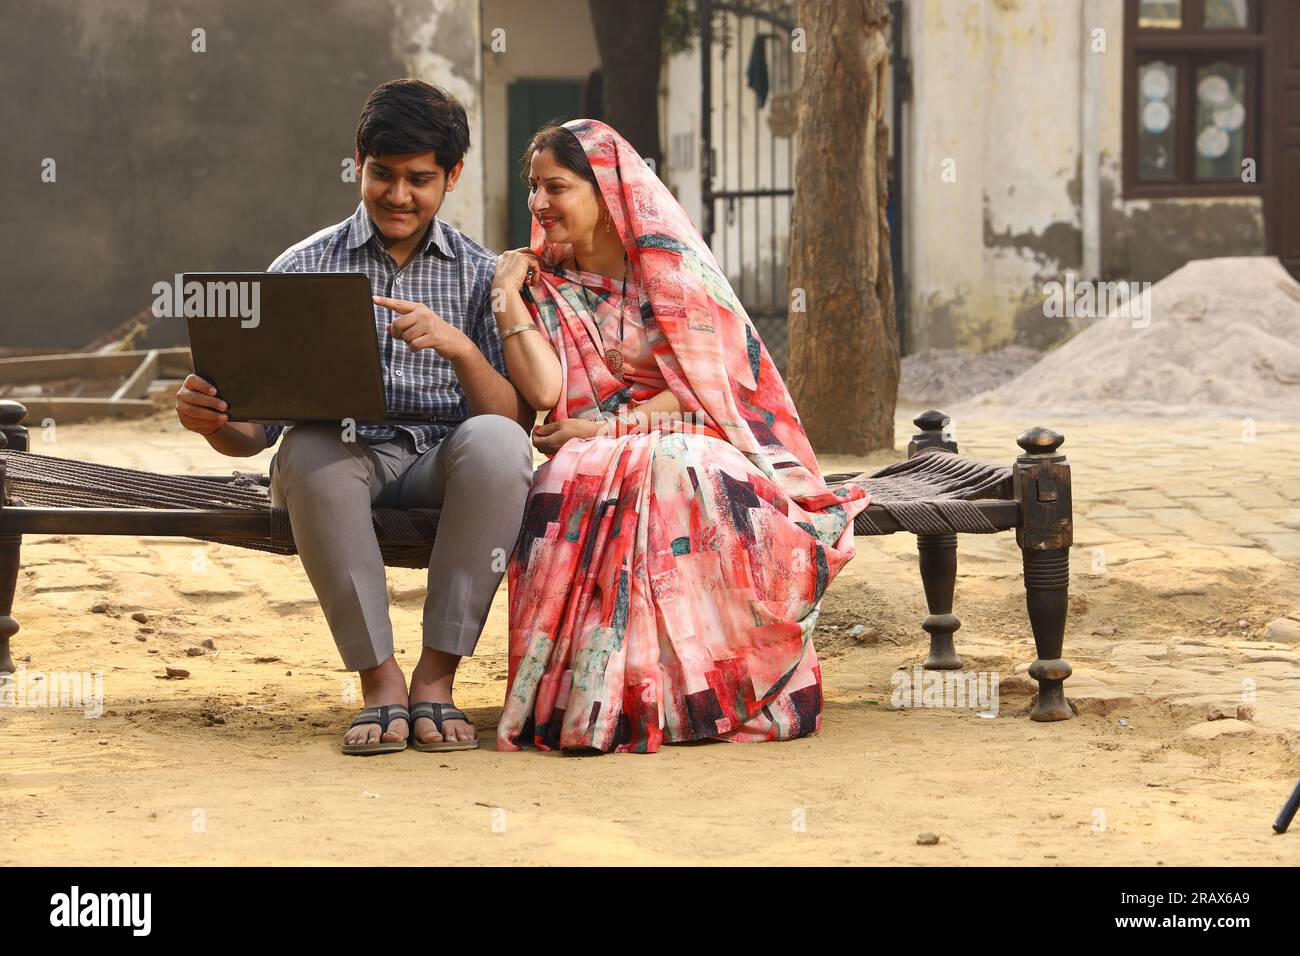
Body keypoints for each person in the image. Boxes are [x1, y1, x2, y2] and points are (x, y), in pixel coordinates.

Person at [174, 79, 534, 756]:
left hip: (440, 462)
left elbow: (516, 419)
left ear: (452, 177)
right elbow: (255, 435)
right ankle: (380, 682)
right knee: (309, 448)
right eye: (383, 175)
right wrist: (213, 419)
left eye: (420, 179)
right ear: (359, 164)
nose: (399, 195)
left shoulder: (483, 278)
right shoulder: (300, 269)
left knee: (495, 445)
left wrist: (459, 347)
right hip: (339, 459)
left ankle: (436, 677)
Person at [490, 119, 872, 754]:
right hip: (587, 445)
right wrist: (506, 293)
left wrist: (614, 427)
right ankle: (610, 697)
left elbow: (704, 387)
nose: (538, 204)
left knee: (675, 467)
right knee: (572, 475)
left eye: (555, 187)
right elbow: (544, 391)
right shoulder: (542, 283)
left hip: (700, 430)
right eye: (533, 188)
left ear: (607, 193)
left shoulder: (670, 270)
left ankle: (698, 696)